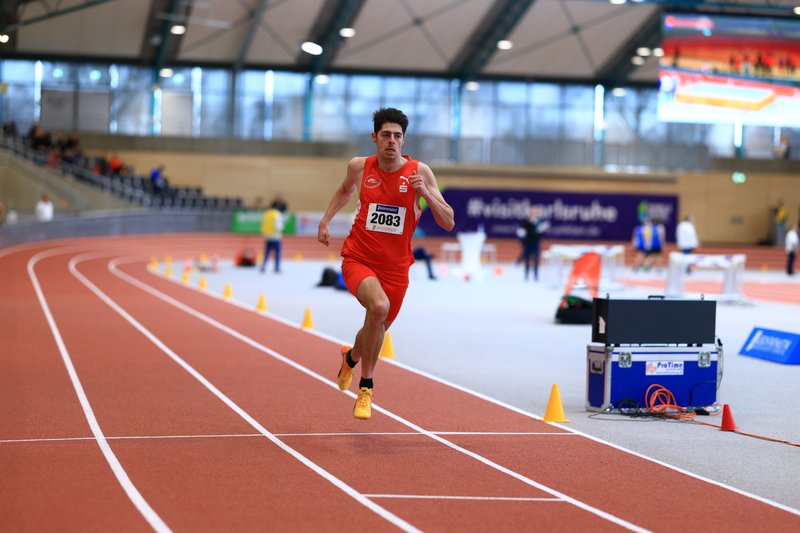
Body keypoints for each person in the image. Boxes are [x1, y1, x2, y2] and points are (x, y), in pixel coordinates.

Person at [317, 107, 454, 420]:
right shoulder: (359, 167)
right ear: (374, 137)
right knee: (378, 309)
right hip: (359, 259)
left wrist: (427, 196)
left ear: (404, 139)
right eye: (386, 135)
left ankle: (350, 357)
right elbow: (343, 191)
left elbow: (448, 221)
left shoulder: (420, 173)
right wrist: (326, 221)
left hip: (396, 269)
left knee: (374, 329)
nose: (392, 141)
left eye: (397, 136)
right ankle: (366, 388)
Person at [517, 205, 549, 281]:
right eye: (532, 211)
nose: (534, 212)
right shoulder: (526, 221)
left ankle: (536, 276)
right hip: (528, 242)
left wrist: (541, 232)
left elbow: (543, 232)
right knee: (527, 258)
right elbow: (521, 230)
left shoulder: (540, 221)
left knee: (536, 258)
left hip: (536, 242)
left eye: (535, 211)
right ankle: (526, 275)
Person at [260, 199, 285, 274]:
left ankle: (264, 266)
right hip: (275, 236)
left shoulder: (266, 214)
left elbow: (262, 224)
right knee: (277, 253)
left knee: (266, 252)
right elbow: (279, 226)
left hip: (267, 236)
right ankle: (276, 267)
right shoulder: (277, 214)